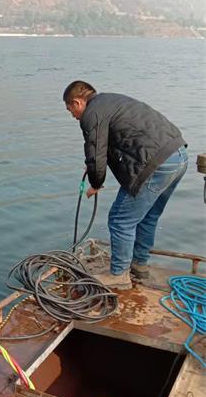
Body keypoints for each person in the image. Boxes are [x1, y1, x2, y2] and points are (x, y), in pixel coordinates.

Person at [63, 81, 187, 289]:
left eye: (70, 109)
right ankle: (139, 266)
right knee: (148, 216)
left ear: (77, 102)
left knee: (120, 220)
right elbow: (111, 145)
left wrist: (95, 183)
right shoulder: (111, 101)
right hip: (178, 156)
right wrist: (92, 167)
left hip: (156, 164)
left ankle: (119, 275)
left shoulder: (90, 114)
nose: (73, 115)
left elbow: (95, 152)